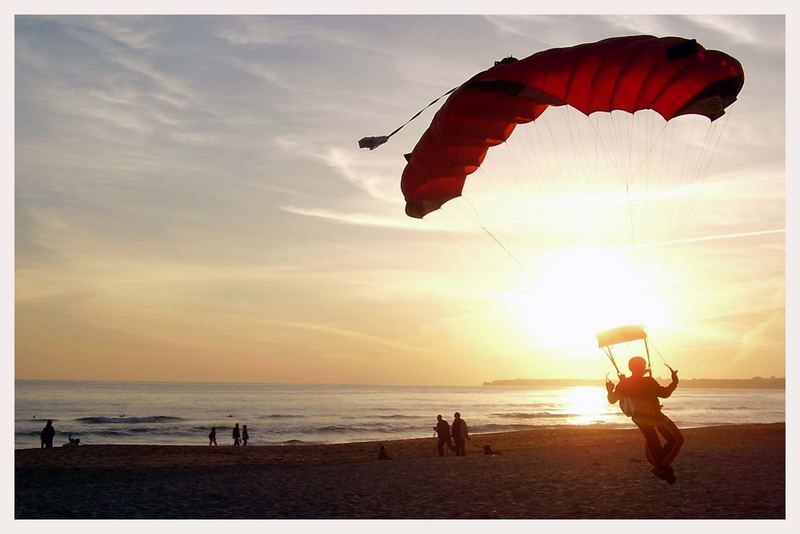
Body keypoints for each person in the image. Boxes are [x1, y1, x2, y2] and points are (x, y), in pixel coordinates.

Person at [606, 356, 684, 484]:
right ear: (642, 367)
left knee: (652, 440)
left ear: (631, 368)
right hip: (654, 415)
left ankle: (660, 465)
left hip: (639, 418)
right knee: (676, 440)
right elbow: (664, 393)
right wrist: (674, 382)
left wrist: (610, 390)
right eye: (643, 365)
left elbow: (612, 400)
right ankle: (661, 466)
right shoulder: (647, 381)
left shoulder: (625, 382)